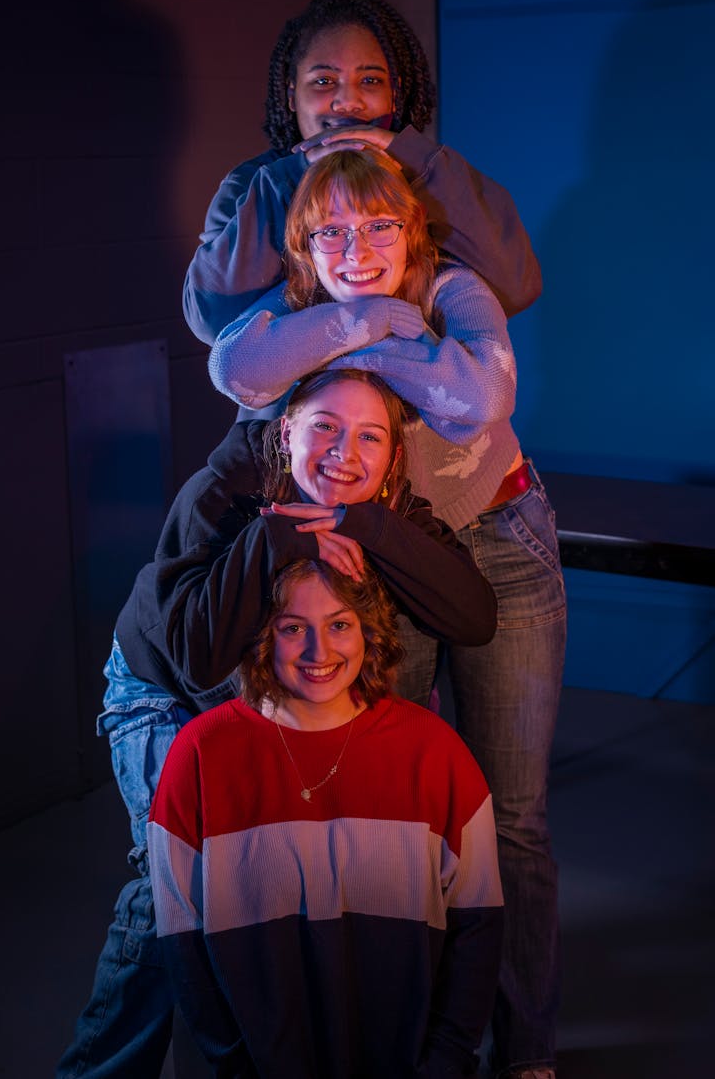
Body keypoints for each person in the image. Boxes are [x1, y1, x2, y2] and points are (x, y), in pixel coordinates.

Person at [208, 145, 566, 1079]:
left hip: (497, 535)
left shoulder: (454, 290)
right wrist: (366, 321)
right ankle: (411, 1039)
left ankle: (525, 1052)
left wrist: (343, 339)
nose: (357, 246)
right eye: (332, 230)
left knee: (512, 817)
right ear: (304, 242)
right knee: (394, 807)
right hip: (392, 550)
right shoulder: (309, 302)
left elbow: (476, 398)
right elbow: (236, 372)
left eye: (379, 227)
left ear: (412, 230)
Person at [57, 367, 497, 1079]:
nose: (343, 453)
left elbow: (474, 617)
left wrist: (363, 525)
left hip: (270, 687)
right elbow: (198, 657)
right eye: (324, 426)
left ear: (392, 458)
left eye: (369, 437)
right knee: (168, 884)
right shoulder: (222, 491)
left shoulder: (383, 505)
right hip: (164, 688)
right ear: (286, 429)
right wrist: (281, 539)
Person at [148, 557, 505, 1078]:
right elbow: (181, 941)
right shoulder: (199, 755)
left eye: (339, 624)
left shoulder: (436, 753)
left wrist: (447, 1060)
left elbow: (478, 927)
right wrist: (232, 1063)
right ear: (261, 635)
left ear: (369, 630)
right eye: (293, 628)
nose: (319, 651)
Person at [182, 0, 541, 349]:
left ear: (395, 93)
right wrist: (291, 177)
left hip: (414, 401)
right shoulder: (254, 185)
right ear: (291, 95)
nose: (347, 101)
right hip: (296, 406)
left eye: (370, 80)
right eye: (324, 81)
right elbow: (214, 322)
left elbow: (516, 286)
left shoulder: (430, 176)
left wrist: (410, 157)